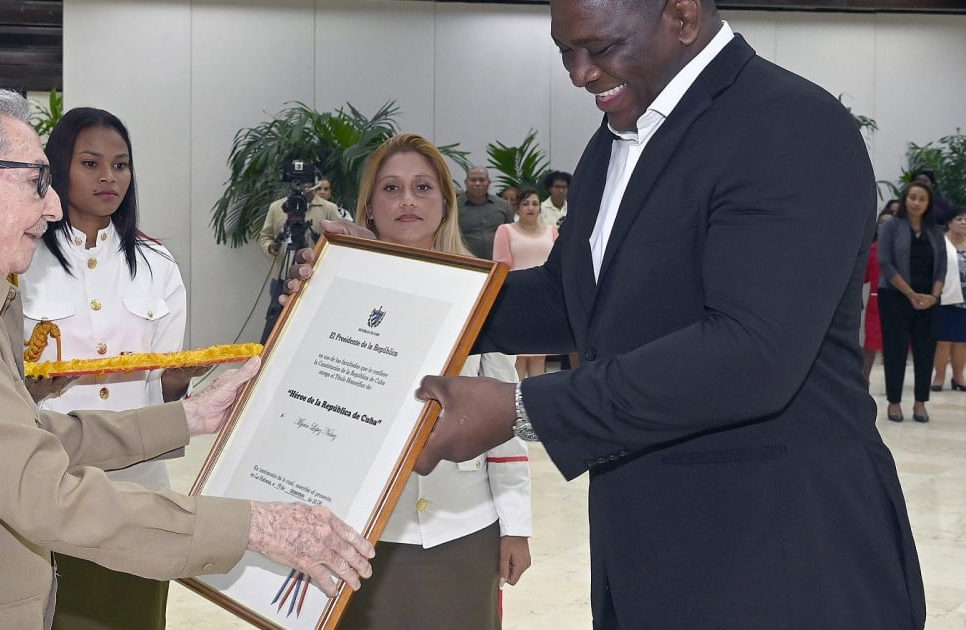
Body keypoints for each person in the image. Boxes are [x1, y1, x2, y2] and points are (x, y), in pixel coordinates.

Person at [295, 1, 925, 626]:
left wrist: (520, 409)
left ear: (680, 16)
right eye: (565, 53)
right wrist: (388, 281)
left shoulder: (788, 125)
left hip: (780, 559)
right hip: (647, 555)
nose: (580, 74)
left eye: (599, 49)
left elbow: (752, 352)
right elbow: (572, 299)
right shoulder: (614, 143)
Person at [0, 85, 373, 629]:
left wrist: (189, 417)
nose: (52, 207)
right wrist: (255, 525)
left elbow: (25, 433)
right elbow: (38, 485)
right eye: (36, 182)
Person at [19, 106, 203, 629]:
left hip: (139, 480)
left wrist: (184, 379)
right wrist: (29, 388)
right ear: (57, 169)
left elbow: (165, 389)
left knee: (135, 615)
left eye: (120, 165)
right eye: (91, 163)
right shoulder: (23, 261)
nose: (108, 177)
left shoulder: (155, 263)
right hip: (53, 475)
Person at [338, 134, 532, 630]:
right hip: (362, 534)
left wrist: (515, 528)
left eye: (422, 187)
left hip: (464, 527)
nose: (407, 200)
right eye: (391, 188)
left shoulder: (482, 292)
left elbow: (505, 420)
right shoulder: (336, 294)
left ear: (446, 203)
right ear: (369, 207)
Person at [878, 180, 945, 422]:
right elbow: (885, 263)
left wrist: (933, 296)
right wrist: (911, 294)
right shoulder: (892, 226)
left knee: (925, 352)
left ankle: (920, 403)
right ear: (905, 199)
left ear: (929, 204)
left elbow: (941, 269)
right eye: (913, 197)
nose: (916, 202)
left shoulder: (935, 231)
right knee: (895, 351)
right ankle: (894, 402)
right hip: (895, 297)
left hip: (928, 301)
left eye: (922, 199)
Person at [258, 176, 342, 342]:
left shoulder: (328, 208)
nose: (304, 188)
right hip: (281, 278)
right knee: (275, 325)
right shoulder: (277, 207)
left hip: (315, 278)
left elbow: (340, 240)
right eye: (300, 183)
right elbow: (265, 236)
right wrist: (270, 247)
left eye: (308, 184)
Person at [493, 188, 558, 380]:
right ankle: (516, 403)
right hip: (516, 299)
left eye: (535, 203)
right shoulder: (505, 230)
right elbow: (501, 265)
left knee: (539, 356)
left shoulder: (551, 231)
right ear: (517, 207)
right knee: (518, 357)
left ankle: (537, 404)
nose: (531, 208)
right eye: (525, 203)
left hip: (545, 298)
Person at [931, 207, 966, 391]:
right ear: (950, 222)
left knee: (962, 341)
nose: (963, 222)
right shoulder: (941, 242)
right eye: (959, 219)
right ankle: (939, 376)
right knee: (943, 341)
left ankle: (959, 377)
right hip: (945, 298)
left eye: (965, 219)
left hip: (965, 302)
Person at [863, 212, 894, 382]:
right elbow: (865, 277)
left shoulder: (900, 248)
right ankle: (864, 379)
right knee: (870, 344)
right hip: (876, 301)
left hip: (897, 301)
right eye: (881, 223)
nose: (884, 226)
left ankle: (893, 381)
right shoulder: (872, 249)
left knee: (894, 345)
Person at [457, 166, 513, 259]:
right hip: (465, 263)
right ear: (466, 182)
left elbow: (512, 234)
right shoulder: (454, 207)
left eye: (482, 180)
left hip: (498, 263)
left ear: (489, 183)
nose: (478, 183)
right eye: (473, 180)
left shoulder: (503, 205)